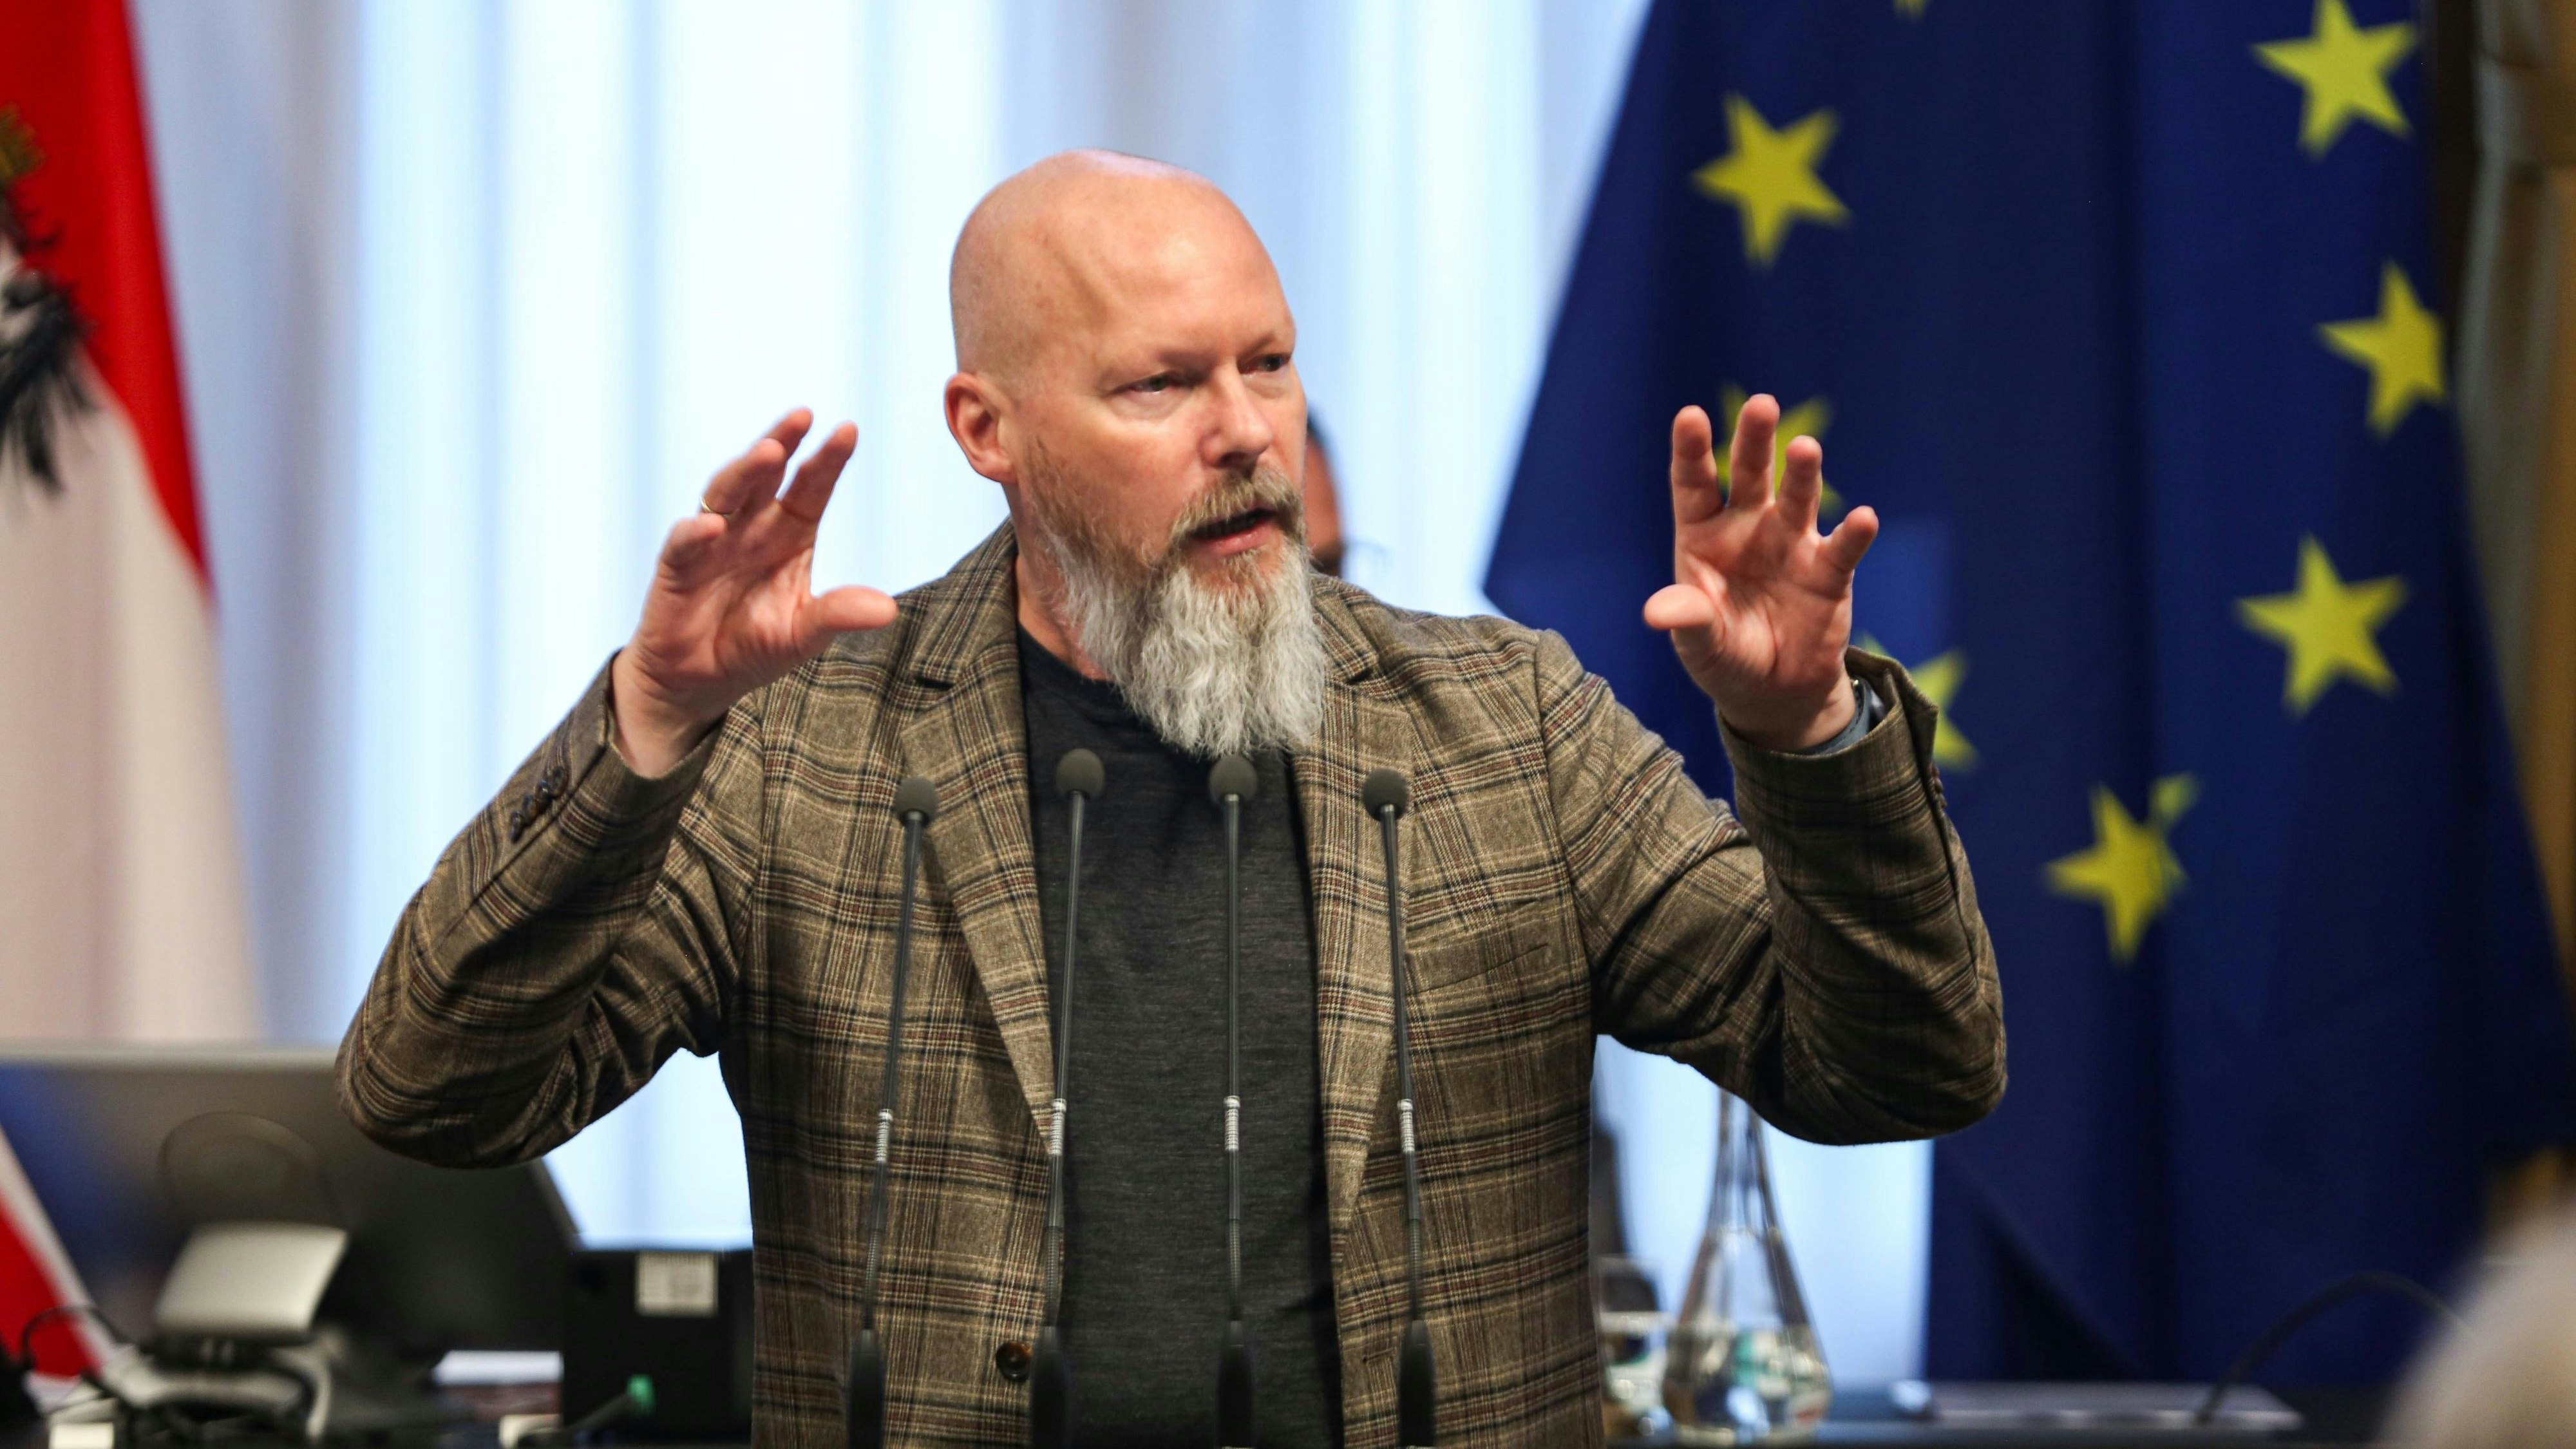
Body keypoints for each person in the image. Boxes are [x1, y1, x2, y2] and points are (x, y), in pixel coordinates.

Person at [337, 149, 2003, 1448]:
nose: (1246, 434)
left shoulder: (1504, 723)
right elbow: (433, 1094)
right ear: (988, 427)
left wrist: (1803, 744)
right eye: (1161, 385)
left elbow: (1900, 1065)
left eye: (1267, 365)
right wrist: (648, 724)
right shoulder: (806, 749)